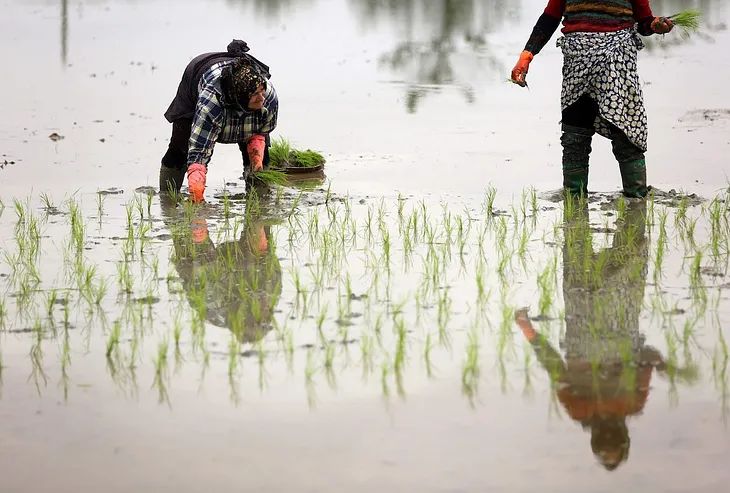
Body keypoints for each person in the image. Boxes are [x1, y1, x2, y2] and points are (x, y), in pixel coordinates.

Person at [515, 198, 698, 471]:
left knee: (580, 246)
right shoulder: (631, 404)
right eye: (613, 438)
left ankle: (593, 199)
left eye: (605, 439)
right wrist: (663, 365)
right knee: (625, 252)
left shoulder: (580, 408)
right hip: (618, 328)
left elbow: (555, 368)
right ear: (623, 437)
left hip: (585, 326)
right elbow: (645, 360)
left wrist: (529, 331)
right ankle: (627, 201)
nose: (608, 429)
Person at [510, 1, 675, 199]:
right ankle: (574, 202)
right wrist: (527, 54)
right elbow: (550, 17)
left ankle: (637, 200)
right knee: (574, 134)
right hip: (577, 58)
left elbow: (644, 21)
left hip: (617, 59)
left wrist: (656, 25)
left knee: (625, 131)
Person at [160, 39, 279, 203]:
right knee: (180, 146)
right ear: (242, 96)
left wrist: (257, 156)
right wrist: (197, 193)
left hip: (238, 93)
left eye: (261, 91)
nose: (261, 97)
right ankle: (167, 200)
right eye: (255, 94)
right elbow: (199, 154)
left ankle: (258, 201)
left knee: (258, 153)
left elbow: (261, 132)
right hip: (198, 75)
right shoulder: (211, 104)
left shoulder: (269, 98)